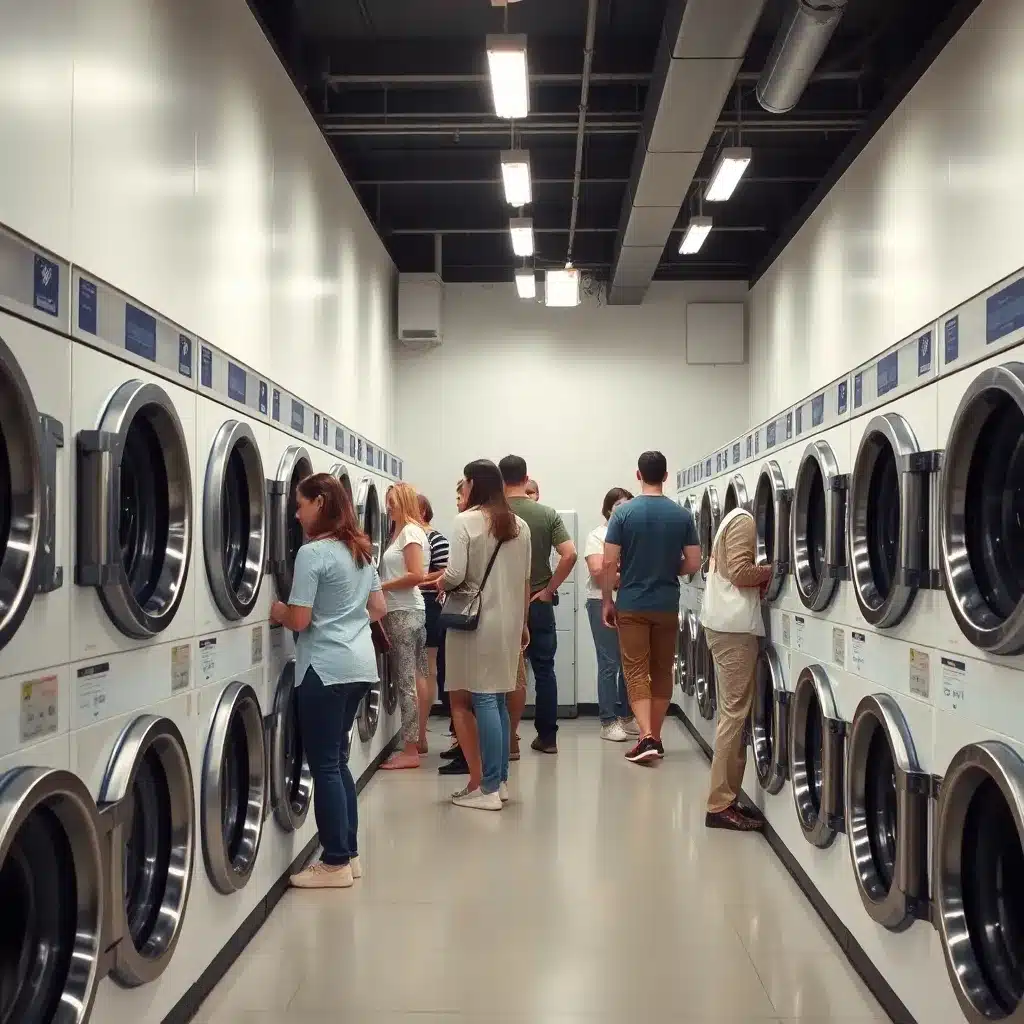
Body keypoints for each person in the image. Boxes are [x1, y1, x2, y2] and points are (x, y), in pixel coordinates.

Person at [270, 473, 386, 889]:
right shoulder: (360, 549)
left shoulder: (312, 553)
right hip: (359, 667)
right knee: (338, 762)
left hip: (324, 668)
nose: (297, 515)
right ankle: (349, 855)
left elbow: (299, 619)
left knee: (325, 765)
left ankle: (335, 861)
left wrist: (279, 611)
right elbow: (377, 608)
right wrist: (344, 615)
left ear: (319, 502)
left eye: (300, 506)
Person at [438, 460, 531, 810]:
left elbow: (455, 573)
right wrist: (523, 624)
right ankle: (500, 781)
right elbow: (524, 580)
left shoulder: (466, 522)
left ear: (474, 483)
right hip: (508, 623)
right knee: (500, 699)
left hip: (475, 623)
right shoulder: (519, 525)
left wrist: (440, 582)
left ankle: (488, 788)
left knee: (485, 699)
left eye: (464, 482)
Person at [602, 451, 700, 765]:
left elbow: (608, 561)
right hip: (667, 604)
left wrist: (607, 599)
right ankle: (654, 737)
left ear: (638, 475)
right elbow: (694, 562)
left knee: (634, 670)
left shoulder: (622, 514)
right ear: (666, 476)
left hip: (631, 603)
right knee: (661, 670)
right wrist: (670, 569)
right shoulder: (682, 515)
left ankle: (645, 737)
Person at [701, 504, 774, 831]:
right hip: (734, 630)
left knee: (733, 714)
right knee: (733, 715)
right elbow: (740, 572)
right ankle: (719, 804)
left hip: (722, 626)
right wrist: (772, 570)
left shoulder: (731, 519)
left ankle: (727, 796)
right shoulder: (744, 521)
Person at [500, 455, 577, 755]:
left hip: (503, 604)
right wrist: (548, 589)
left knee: (504, 672)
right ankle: (547, 738)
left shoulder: (494, 513)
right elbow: (569, 554)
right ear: (525, 477)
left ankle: (508, 739)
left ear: (500, 478)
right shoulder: (547, 514)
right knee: (545, 670)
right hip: (539, 603)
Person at [379, 482, 430, 770]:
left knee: (407, 682)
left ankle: (410, 750)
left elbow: (416, 575)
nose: (388, 507)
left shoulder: (410, 531)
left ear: (406, 503)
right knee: (416, 676)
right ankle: (417, 740)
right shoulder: (399, 531)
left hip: (404, 613)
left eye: (393, 502)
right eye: (387, 501)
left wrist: (379, 586)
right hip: (408, 611)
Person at [584, 487, 639, 742]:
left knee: (629, 662)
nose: (624, 509)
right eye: (619, 505)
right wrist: (629, 576)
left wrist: (618, 576)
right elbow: (598, 573)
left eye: (628, 505)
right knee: (609, 664)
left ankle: (627, 716)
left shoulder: (635, 535)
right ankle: (608, 721)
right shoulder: (598, 535)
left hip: (630, 603)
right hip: (600, 603)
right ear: (608, 509)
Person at [417, 493, 449, 753]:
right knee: (424, 670)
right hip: (413, 604)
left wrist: (417, 579)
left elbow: (448, 571)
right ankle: (418, 732)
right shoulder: (407, 537)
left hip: (428, 606)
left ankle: (420, 734)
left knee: (426, 669)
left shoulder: (434, 538)